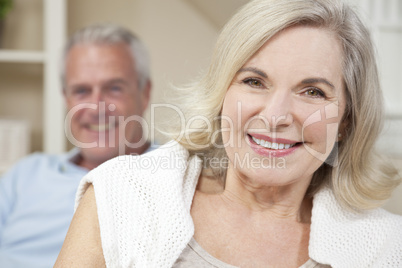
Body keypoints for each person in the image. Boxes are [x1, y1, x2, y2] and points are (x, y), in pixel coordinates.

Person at [56, 0, 402, 267]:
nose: (275, 116)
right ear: (221, 94)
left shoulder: (386, 247)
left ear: (345, 121)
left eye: (313, 91)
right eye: (254, 81)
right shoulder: (120, 195)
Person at [0, 24, 153, 268]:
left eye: (114, 88)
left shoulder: (179, 173)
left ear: (144, 93)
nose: (96, 107)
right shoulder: (25, 174)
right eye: (81, 91)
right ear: (66, 99)